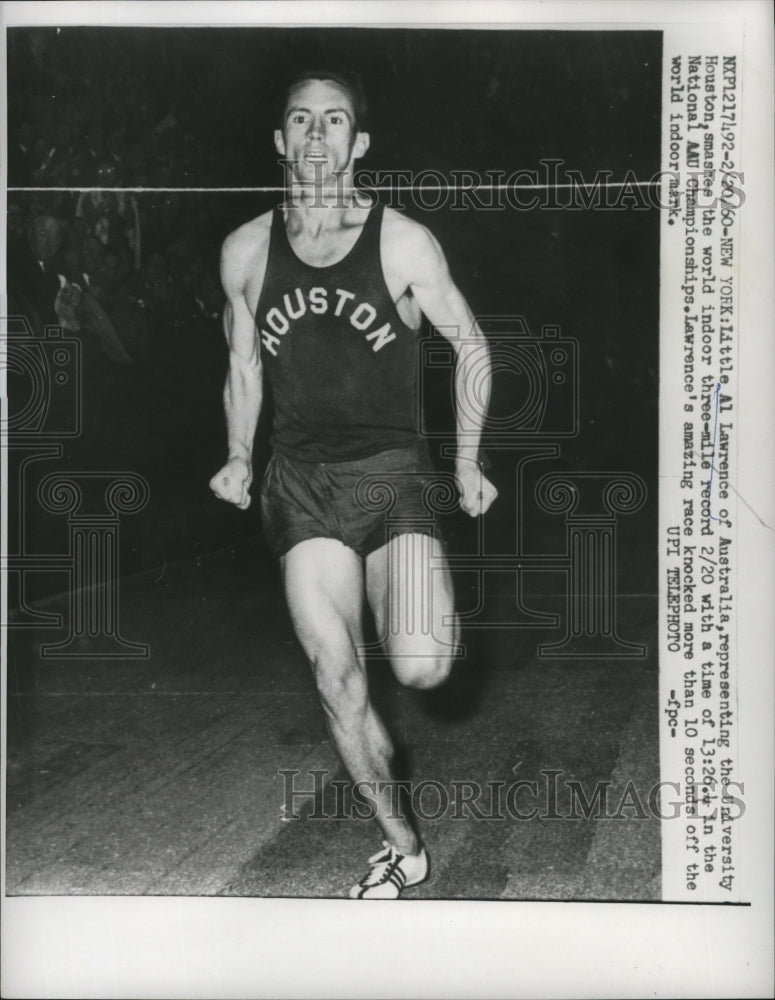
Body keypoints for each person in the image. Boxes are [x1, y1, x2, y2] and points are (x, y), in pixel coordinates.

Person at [210, 70, 498, 898]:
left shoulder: (402, 243)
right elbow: (242, 365)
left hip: (391, 481)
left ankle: (391, 722)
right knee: (334, 671)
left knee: (421, 668)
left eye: (333, 121)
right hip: (300, 487)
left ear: (358, 144)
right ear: (279, 140)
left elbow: (471, 346)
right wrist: (238, 451)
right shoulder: (243, 250)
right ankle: (402, 844)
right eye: (299, 119)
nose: (315, 133)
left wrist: (467, 460)